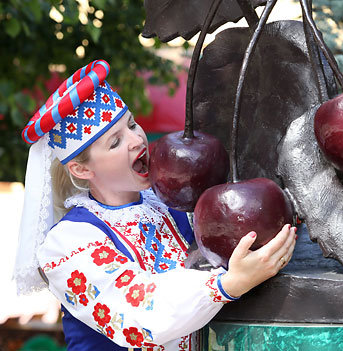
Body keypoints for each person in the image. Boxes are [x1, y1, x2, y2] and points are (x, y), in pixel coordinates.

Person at [13, 60, 297, 350]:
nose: (137, 140)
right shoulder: (68, 245)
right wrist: (227, 285)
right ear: (81, 170)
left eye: (133, 125)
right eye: (115, 142)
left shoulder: (175, 205)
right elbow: (139, 317)